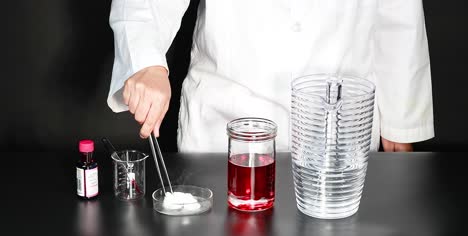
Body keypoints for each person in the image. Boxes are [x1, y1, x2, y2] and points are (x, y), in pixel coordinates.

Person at [107, 0, 434, 152]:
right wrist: (148, 65)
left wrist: (401, 122)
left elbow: (399, 16)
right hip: (223, 132)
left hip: (342, 137)